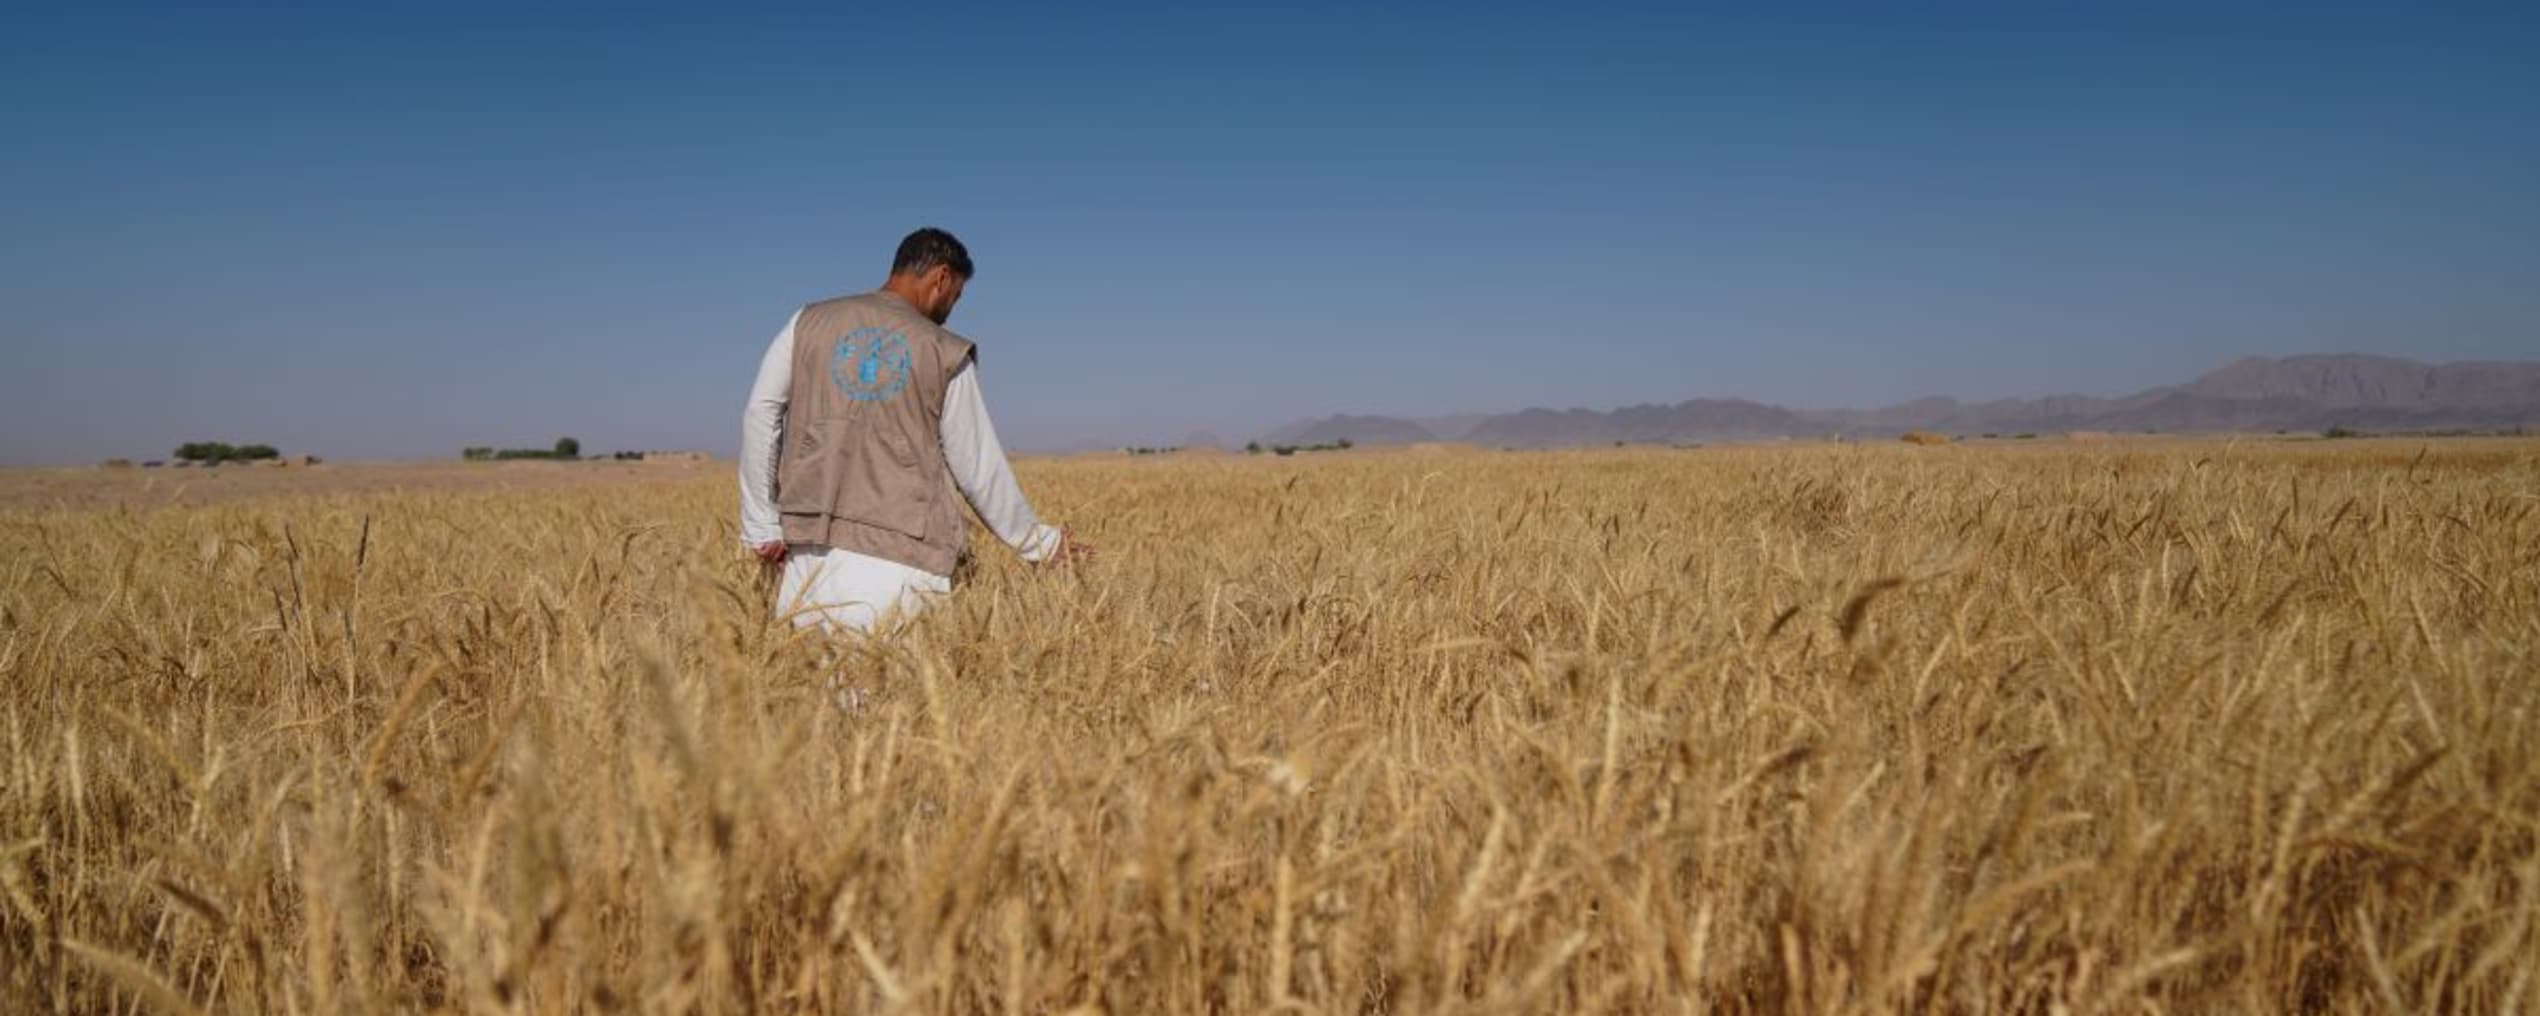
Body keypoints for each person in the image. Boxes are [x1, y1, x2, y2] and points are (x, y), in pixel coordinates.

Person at [738, 227, 1084, 632]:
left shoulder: (806, 322)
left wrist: (761, 524)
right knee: (901, 675)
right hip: (904, 563)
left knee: (810, 673)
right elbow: (976, 466)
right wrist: (1039, 543)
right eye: (956, 296)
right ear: (941, 277)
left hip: (808, 563)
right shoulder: (944, 350)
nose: (951, 309)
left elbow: (761, 413)